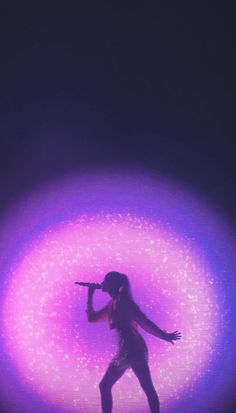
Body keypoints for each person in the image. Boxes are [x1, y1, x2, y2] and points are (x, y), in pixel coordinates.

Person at [86, 271, 181, 413]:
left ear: (113, 285)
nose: (102, 283)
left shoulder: (124, 301)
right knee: (110, 386)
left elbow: (144, 322)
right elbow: (92, 318)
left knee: (144, 386)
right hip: (125, 349)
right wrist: (90, 294)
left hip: (134, 348)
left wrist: (164, 336)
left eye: (105, 281)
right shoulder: (112, 303)